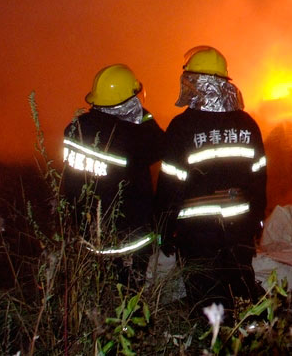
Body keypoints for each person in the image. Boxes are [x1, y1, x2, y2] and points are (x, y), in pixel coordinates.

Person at [156, 46, 267, 309]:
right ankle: (250, 331)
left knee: (206, 300)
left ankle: (214, 333)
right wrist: (256, 222)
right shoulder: (248, 124)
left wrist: (164, 228)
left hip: (197, 234)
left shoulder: (181, 127)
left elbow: (170, 184)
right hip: (239, 229)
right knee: (241, 294)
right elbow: (259, 179)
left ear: (193, 83)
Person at [62, 64, 164, 282]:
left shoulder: (74, 127)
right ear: (128, 100)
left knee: (97, 292)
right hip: (128, 242)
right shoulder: (132, 136)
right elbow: (160, 147)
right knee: (129, 295)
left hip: (88, 237)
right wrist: (143, 116)